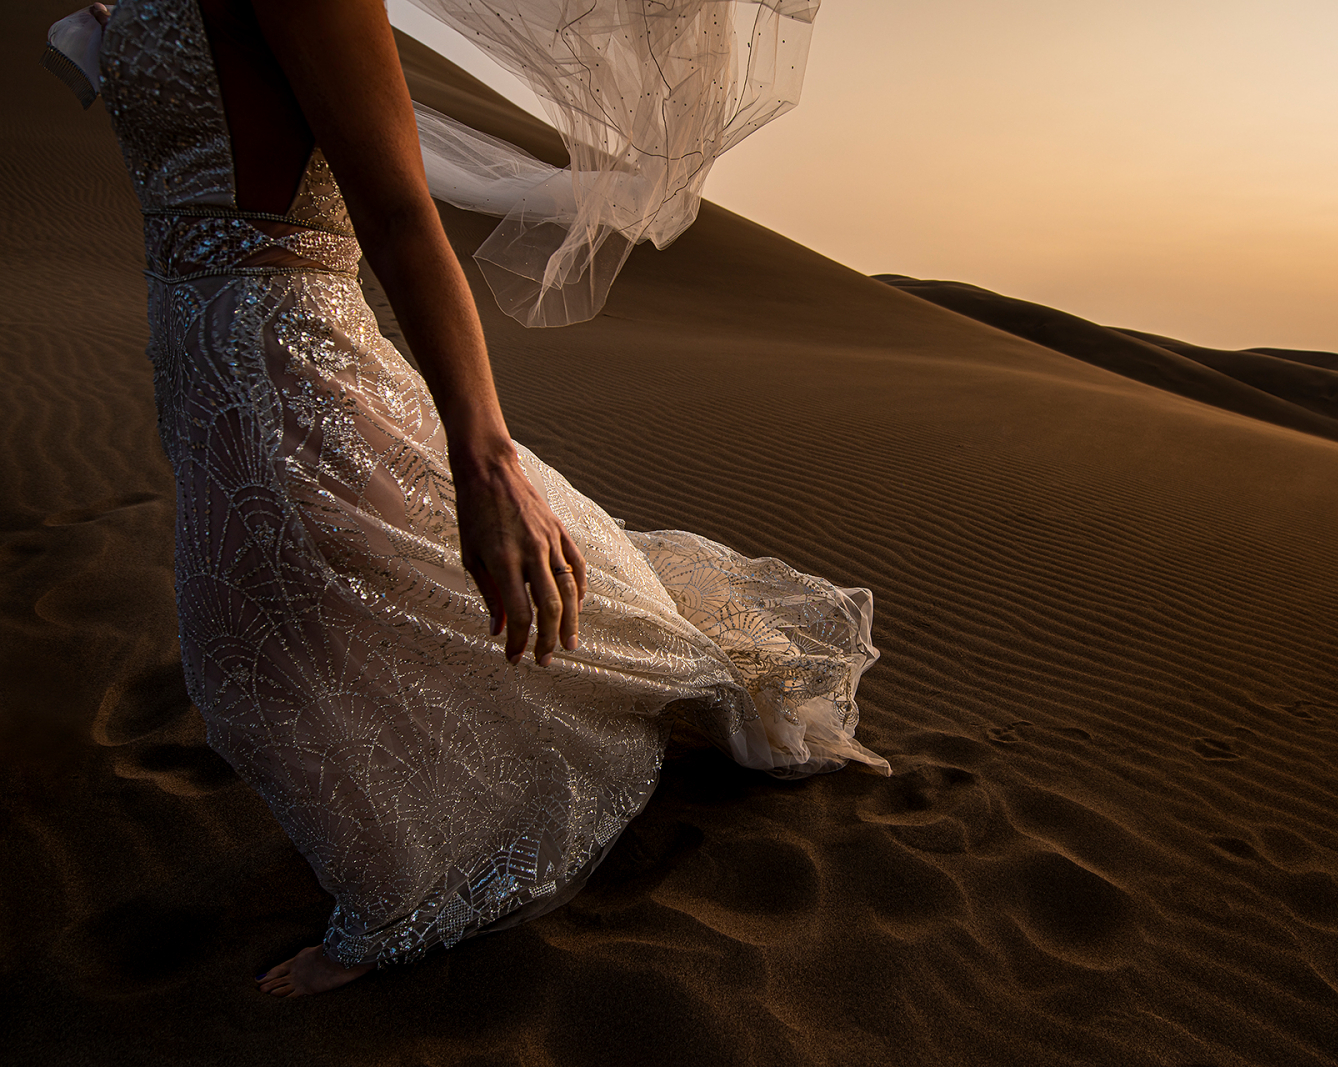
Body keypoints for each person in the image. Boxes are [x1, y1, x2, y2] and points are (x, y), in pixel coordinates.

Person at [51, 0, 886, 997]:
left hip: (278, 357)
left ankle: (417, 887)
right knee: (305, 629)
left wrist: (487, 457)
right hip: (195, 360)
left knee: (251, 663)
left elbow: (402, 217)